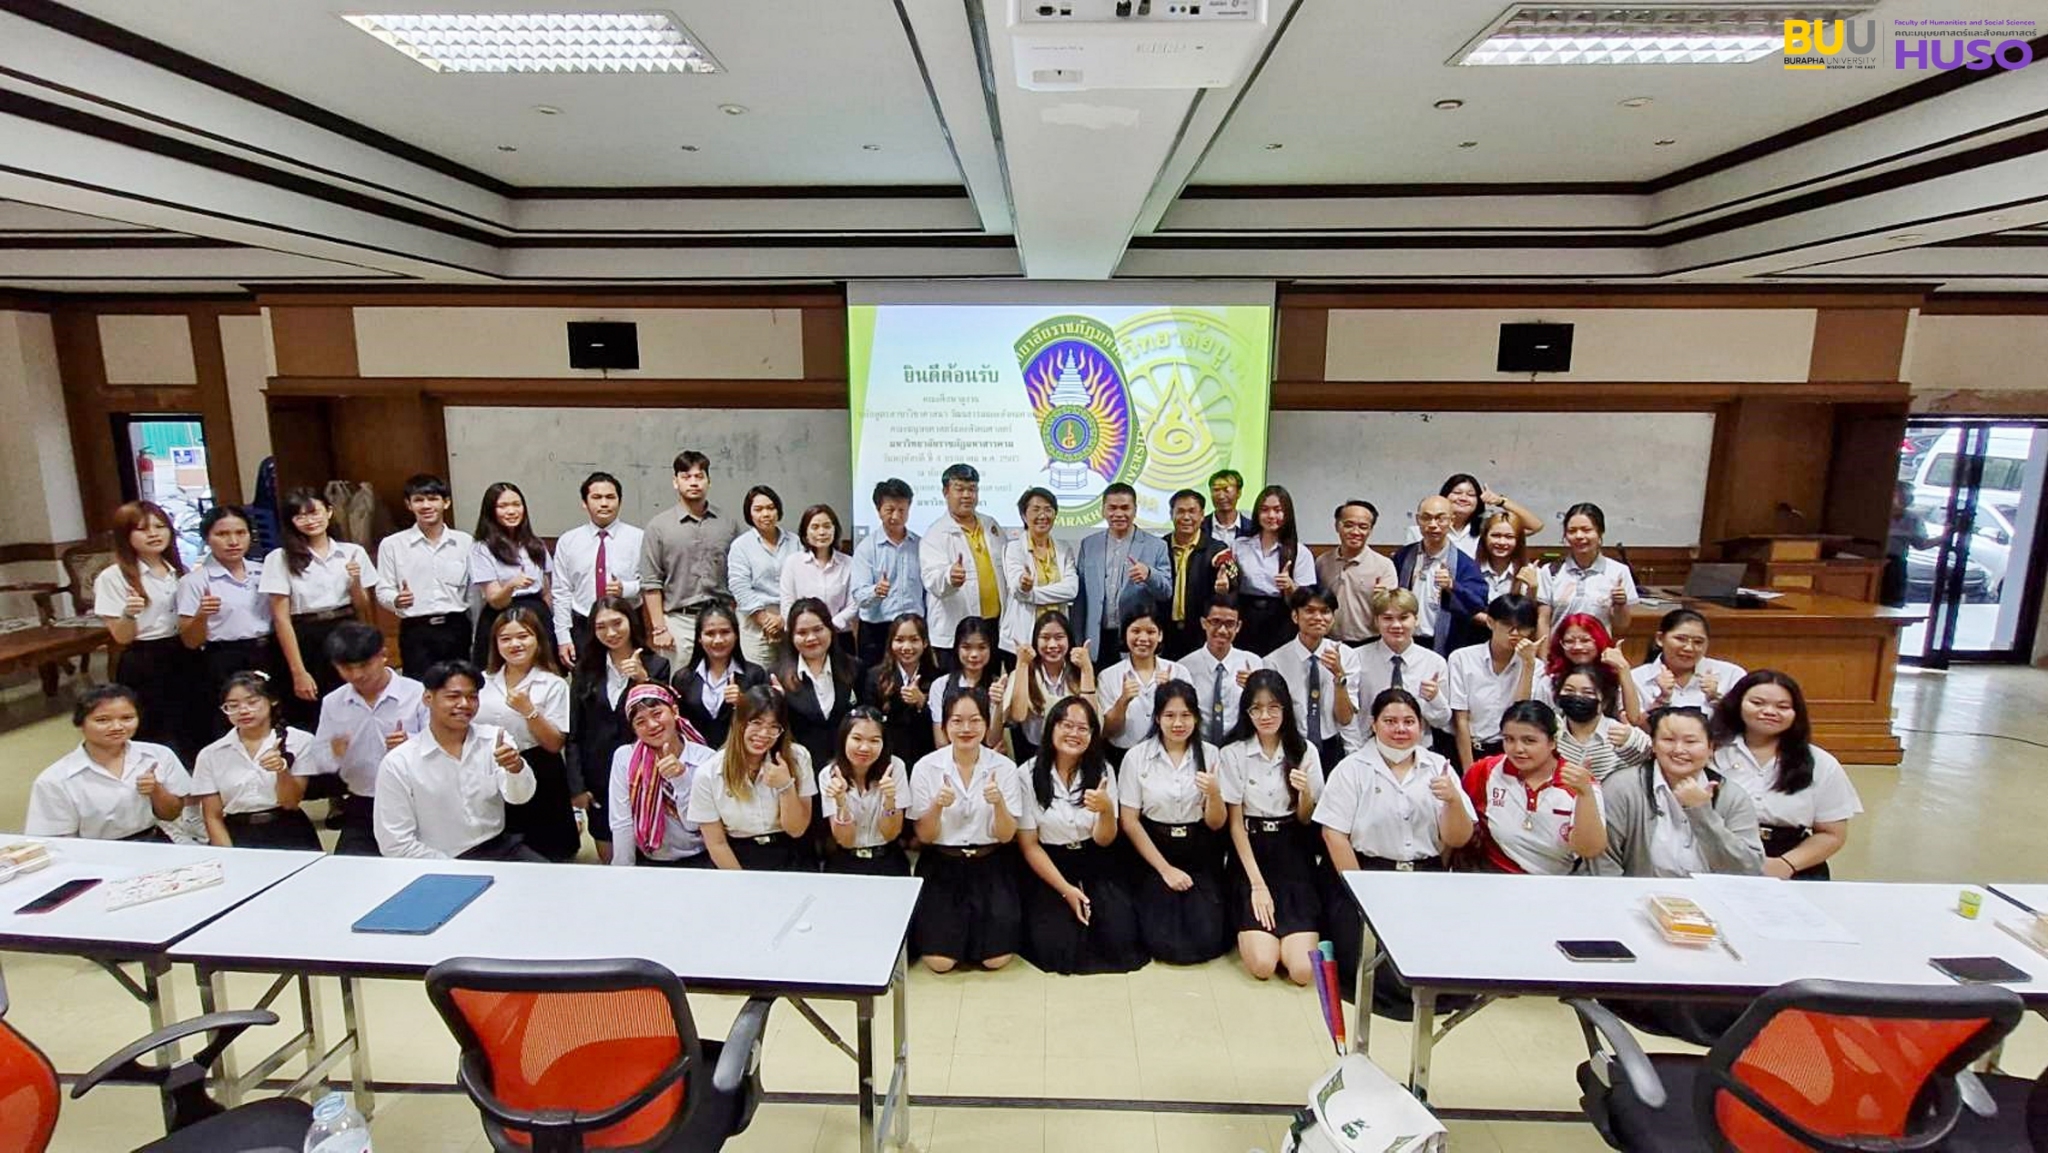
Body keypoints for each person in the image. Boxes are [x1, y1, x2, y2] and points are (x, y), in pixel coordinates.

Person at [1317, 688, 1474, 1015]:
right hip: (1369, 876)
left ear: (1421, 726)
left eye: (1408, 721)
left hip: (1425, 878)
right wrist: (1362, 894)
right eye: (1390, 721)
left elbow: (1457, 838)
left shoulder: (1439, 766)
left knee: (1444, 964)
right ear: (1373, 724)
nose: (1400, 729)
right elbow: (1334, 835)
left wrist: (1453, 800)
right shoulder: (1352, 769)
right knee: (1379, 973)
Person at [1015, 696, 1145, 975]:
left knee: (1119, 941)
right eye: (1066, 725)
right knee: (1058, 948)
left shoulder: (1102, 770)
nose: (1074, 734)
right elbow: (1029, 846)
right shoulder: (1026, 774)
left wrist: (1107, 810)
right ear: (1051, 728)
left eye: (1083, 728)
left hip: (1096, 859)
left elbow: (1105, 840)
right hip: (1050, 865)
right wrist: (1066, 890)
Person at [374, 660, 542, 861]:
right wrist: (453, 869)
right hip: (436, 858)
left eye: (472, 697)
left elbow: (519, 797)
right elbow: (394, 843)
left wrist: (516, 768)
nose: (464, 704)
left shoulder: (494, 739)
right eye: (453, 696)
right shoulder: (399, 762)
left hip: (500, 847)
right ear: (428, 698)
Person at [908, 687, 1026, 972]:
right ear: (945, 725)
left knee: (996, 960)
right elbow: (924, 836)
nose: (966, 728)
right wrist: (937, 805)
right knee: (939, 963)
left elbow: (1007, 835)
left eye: (975, 720)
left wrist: (998, 804)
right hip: (942, 863)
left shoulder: (1005, 768)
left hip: (991, 863)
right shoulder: (926, 767)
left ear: (986, 724)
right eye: (957, 721)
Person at [1220, 670, 1325, 985]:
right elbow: (1235, 825)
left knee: (1303, 972)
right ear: (1246, 712)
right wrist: (1257, 885)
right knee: (1264, 965)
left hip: (1293, 851)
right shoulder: (1233, 752)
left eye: (1273, 707)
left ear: (1286, 709)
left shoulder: (1304, 750)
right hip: (1251, 852)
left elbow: (1307, 819)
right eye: (1256, 708)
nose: (1265, 715)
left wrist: (1305, 793)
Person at [1710, 670, 1862, 880]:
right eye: (1757, 703)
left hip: (1790, 860)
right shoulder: (1710, 752)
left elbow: (1832, 833)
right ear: (1737, 704)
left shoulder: (1820, 762)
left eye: (1783, 707)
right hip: (1719, 850)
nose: (1769, 711)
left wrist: (1786, 864)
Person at [1118, 681, 1229, 965]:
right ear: (1157, 718)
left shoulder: (1213, 755)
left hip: (1199, 851)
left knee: (1207, 938)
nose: (1178, 723)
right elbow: (1130, 821)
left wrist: (1214, 794)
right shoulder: (1136, 757)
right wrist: (1165, 869)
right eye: (1169, 715)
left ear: (1196, 717)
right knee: (1162, 942)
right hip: (1154, 850)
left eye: (1185, 715)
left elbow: (1217, 824)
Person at [1598, 706, 1763, 879]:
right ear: (1653, 745)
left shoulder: (1732, 795)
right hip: (1639, 896)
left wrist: (1701, 813)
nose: (1678, 749)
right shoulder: (1622, 787)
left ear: (1710, 748)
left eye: (1690, 742)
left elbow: (1749, 869)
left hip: (1711, 897)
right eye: (1668, 740)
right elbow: (1603, 860)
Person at [307, 622, 427, 856]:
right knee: (350, 872)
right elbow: (320, 761)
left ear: (383, 655)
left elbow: (443, 747)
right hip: (362, 803)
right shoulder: (333, 702)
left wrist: (410, 744)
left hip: (416, 801)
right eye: (346, 668)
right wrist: (334, 752)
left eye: (364, 665)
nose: (357, 675)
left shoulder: (417, 693)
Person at [567, 596, 671, 864]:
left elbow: (664, 719)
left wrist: (641, 679)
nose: (611, 633)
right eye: (602, 627)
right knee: (611, 860)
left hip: (645, 776)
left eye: (617, 623)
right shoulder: (584, 671)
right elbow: (575, 732)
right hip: (599, 778)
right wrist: (577, 785)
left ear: (630, 621)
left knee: (650, 855)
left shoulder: (657, 665)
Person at [262, 488, 375, 731]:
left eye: (315, 513)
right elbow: (281, 618)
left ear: (330, 511)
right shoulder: (279, 558)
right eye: (300, 516)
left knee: (353, 706)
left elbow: (363, 606)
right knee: (312, 712)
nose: (310, 521)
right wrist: (298, 671)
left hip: (345, 630)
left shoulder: (352, 551)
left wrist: (355, 581)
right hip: (305, 636)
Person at [25, 684, 189, 841]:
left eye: (127, 718)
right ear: (81, 723)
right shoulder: (55, 780)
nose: (117, 727)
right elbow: (58, 842)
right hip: (94, 853)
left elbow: (172, 814)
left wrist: (156, 791)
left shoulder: (158, 755)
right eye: (103, 720)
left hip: (154, 842)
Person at [476, 608, 577, 861]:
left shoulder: (553, 683)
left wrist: (529, 710)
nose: (515, 644)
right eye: (506, 638)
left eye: (523, 636)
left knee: (545, 853)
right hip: (489, 768)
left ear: (537, 640)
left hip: (539, 768)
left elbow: (554, 743)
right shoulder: (482, 681)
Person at [1460, 701, 1606, 874]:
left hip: (1555, 885)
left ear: (1552, 742)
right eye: (1509, 739)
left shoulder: (1578, 783)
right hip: (1495, 879)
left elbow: (1589, 850)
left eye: (1529, 741)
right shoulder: (1485, 771)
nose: (1518, 749)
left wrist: (1585, 794)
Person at [95, 500, 192, 756]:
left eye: (160, 527)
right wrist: (129, 613)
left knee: (189, 723)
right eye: (142, 529)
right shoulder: (113, 577)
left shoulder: (179, 571)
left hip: (183, 651)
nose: (154, 534)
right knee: (154, 731)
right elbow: (121, 636)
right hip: (144, 658)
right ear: (125, 536)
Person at [689, 686, 816, 871]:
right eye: (756, 723)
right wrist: (743, 886)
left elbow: (797, 830)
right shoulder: (708, 773)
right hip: (736, 856)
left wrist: (786, 787)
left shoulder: (798, 757)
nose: (764, 734)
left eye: (774, 727)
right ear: (739, 722)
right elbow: (716, 844)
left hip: (790, 853)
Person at [177, 505, 273, 750]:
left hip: (268, 651)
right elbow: (190, 640)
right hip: (224, 657)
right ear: (207, 538)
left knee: (272, 712)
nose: (233, 541)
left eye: (241, 533)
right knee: (233, 719)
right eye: (222, 534)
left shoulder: (263, 571)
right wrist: (201, 615)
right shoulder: (194, 582)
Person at [191, 671, 319, 851]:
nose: (243, 710)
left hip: (289, 829)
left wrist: (281, 769)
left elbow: (290, 802)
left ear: (272, 700)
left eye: (252, 702)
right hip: (238, 831)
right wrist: (229, 856)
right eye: (233, 705)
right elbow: (212, 816)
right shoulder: (210, 754)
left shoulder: (299, 741)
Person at [640, 450, 741, 668]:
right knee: (679, 686)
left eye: (699, 476)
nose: (693, 482)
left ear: (708, 481)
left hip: (722, 618)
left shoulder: (728, 524)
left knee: (724, 685)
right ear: (675, 482)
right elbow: (651, 583)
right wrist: (659, 628)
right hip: (679, 622)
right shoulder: (658, 527)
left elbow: (739, 576)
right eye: (686, 477)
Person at [607, 683, 713, 868]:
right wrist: (622, 873)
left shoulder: (705, 758)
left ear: (674, 710)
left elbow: (694, 825)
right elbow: (621, 822)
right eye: (640, 721)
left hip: (700, 857)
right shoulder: (625, 758)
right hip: (649, 858)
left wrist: (681, 779)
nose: (652, 725)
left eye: (657, 714)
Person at [375, 474, 473, 676]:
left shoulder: (465, 542)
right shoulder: (392, 545)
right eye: (419, 500)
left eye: (433, 499)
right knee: (421, 691)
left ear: (446, 502)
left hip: (457, 626)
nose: (426, 505)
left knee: (460, 685)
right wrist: (396, 600)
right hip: (416, 630)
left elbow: (474, 591)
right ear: (409, 505)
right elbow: (383, 588)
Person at [920, 463, 1007, 670]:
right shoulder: (935, 534)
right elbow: (932, 580)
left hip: (992, 627)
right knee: (957, 694)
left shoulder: (991, 525)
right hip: (956, 633)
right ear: (945, 492)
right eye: (960, 489)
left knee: (989, 690)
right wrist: (950, 577)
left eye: (972, 489)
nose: (967, 495)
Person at [550, 471, 642, 668]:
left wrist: (626, 589)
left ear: (620, 501)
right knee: (586, 686)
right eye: (596, 497)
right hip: (583, 623)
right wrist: (563, 637)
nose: (604, 503)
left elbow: (652, 583)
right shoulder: (568, 541)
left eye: (610, 497)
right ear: (584, 503)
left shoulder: (639, 538)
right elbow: (561, 593)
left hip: (626, 623)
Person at [1261, 588, 1361, 768]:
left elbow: (1345, 719)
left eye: (1325, 611)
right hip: (1291, 745)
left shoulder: (1347, 656)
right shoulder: (1273, 661)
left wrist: (1339, 677)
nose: (1318, 617)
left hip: (1332, 745)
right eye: (1310, 611)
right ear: (1295, 616)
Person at [1073, 483, 1172, 665]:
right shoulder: (1088, 545)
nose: (1118, 514)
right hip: (1096, 638)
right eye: (1112, 508)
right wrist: (1078, 641)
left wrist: (1149, 575)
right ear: (1103, 510)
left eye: (1125, 508)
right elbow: (1081, 599)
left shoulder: (1156, 546)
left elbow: (1166, 592)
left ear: (1135, 510)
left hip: (1135, 639)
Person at [1348, 589, 1451, 756]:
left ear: (1416, 620)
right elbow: (1350, 717)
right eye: (1388, 618)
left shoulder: (1434, 662)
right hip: (1368, 750)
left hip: (1419, 751)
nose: (1396, 625)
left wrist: (1435, 698)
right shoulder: (1356, 658)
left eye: (1404, 618)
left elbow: (1442, 721)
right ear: (1376, 621)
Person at [1447, 594, 1541, 768]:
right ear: (1490, 622)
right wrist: (1470, 771)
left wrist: (1528, 665)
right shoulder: (1462, 658)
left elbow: (1521, 715)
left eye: (1522, 628)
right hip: (1470, 748)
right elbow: (1461, 720)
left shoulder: (1535, 666)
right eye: (1507, 625)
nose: (1514, 634)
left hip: (1512, 752)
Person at [469, 481, 554, 668]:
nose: (511, 511)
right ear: (491, 511)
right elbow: (494, 599)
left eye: (516, 504)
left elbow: (547, 591)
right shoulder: (482, 548)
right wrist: (511, 585)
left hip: (537, 614)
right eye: (503, 506)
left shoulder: (536, 544)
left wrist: (553, 623)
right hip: (502, 615)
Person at [774, 597, 862, 776]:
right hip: (801, 772)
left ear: (830, 629)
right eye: (802, 632)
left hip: (848, 770)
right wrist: (779, 704)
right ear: (791, 636)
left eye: (818, 629)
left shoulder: (855, 668)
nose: (811, 638)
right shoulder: (777, 676)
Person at [1391, 495, 1488, 655]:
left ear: (1452, 520)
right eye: (1426, 518)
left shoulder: (1465, 564)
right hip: (1405, 640)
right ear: (1417, 520)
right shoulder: (1404, 556)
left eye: (1440, 519)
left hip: (1444, 644)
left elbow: (1478, 603)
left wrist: (1453, 586)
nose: (1433, 525)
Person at [820, 707, 911, 876]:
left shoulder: (895, 767)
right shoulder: (829, 774)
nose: (864, 748)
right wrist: (841, 804)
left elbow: (891, 833)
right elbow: (845, 840)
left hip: (888, 860)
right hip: (844, 862)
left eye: (874, 740)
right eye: (857, 739)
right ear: (843, 739)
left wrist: (890, 799)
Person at [1096, 603, 1190, 760]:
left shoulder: (1178, 672)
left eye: (1151, 632)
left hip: (1168, 755)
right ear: (1125, 634)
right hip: (1121, 756)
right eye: (1136, 631)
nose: (1143, 638)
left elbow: (1190, 721)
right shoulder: (1108, 676)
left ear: (1160, 635)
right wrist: (1123, 701)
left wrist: (1169, 694)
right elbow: (1107, 732)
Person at [671, 603, 769, 751]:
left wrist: (743, 702)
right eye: (710, 633)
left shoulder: (754, 675)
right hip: (697, 760)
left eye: (725, 632)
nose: (718, 640)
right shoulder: (683, 679)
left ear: (736, 635)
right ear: (699, 638)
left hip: (741, 756)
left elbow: (766, 720)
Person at [850, 478, 926, 668]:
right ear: (878, 510)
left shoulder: (920, 545)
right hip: (878, 630)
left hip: (913, 628)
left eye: (902, 510)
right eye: (889, 510)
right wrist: (876, 591)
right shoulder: (866, 548)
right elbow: (858, 595)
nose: (896, 516)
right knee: (875, 686)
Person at [1234, 485, 1317, 655]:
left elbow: (1308, 598)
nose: (1271, 516)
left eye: (1277, 510)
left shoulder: (1300, 552)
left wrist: (1290, 586)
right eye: (1265, 510)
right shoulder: (1240, 545)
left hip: (1282, 619)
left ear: (1287, 514)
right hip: (1245, 616)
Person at [1004, 610, 1094, 760]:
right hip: (1033, 752)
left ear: (1069, 640)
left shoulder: (1078, 672)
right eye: (1045, 638)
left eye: (1059, 637)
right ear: (1035, 641)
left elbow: (1091, 718)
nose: (1052, 645)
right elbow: (1018, 716)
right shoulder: (1025, 671)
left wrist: (1087, 669)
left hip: (1072, 753)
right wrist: (1022, 665)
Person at [1630, 609, 1745, 726]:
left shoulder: (1731, 674)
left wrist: (1716, 699)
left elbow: (1744, 726)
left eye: (1698, 642)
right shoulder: (1635, 678)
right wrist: (1662, 699)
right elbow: (1634, 727)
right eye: (1680, 639)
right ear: (1660, 639)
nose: (1689, 648)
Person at [999, 487, 1078, 656]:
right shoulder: (1013, 548)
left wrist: (1032, 594)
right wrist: (1023, 586)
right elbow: (1017, 590)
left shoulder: (1064, 549)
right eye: (1035, 510)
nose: (1043, 516)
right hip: (1022, 637)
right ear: (1023, 515)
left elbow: (1071, 590)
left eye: (1048, 510)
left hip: (1055, 638)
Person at [727, 484, 797, 669]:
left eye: (770, 508)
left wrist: (783, 619)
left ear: (778, 510)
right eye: (758, 509)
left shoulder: (795, 541)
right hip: (754, 623)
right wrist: (766, 621)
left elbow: (803, 582)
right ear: (749, 513)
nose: (765, 514)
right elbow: (739, 586)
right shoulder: (741, 546)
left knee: (790, 678)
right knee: (758, 679)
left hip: (790, 621)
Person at [1544, 502, 1638, 637]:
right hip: (1559, 652)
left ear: (1600, 532)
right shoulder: (1550, 571)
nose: (1579, 536)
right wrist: (1543, 657)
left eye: (1586, 530)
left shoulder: (1619, 572)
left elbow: (1622, 625)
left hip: (1599, 653)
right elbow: (1543, 621)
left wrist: (1620, 605)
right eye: (1572, 531)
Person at [1161, 488, 1234, 659]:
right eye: (1180, 511)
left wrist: (1226, 585)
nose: (1186, 517)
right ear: (1171, 514)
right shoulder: (1159, 547)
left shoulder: (1218, 549)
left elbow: (1233, 579)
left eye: (1192, 512)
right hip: (1164, 633)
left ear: (1202, 516)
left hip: (1201, 633)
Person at [1182, 593, 1262, 748]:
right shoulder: (1185, 667)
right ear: (1204, 623)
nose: (1222, 630)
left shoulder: (1253, 663)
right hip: (1197, 747)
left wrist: (1255, 690)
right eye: (1215, 622)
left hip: (1240, 748)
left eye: (1230, 624)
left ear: (1238, 627)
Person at [1317, 500, 1399, 646]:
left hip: (1370, 642)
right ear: (1337, 526)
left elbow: (1392, 610)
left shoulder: (1384, 565)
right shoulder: (1322, 562)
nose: (1355, 532)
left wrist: (1385, 598)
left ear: (1370, 530)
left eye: (1363, 527)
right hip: (1329, 641)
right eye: (1348, 525)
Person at [860, 613, 937, 766]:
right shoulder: (875, 676)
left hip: (927, 757)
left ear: (925, 642)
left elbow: (943, 724)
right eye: (899, 640)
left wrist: (922, 702)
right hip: (888, 757)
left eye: (914, 640)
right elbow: (870, 721)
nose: (906, 647)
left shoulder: (937, 677)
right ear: (890, 643)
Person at [1405, 473, 1544, 558]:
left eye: (1471, 494)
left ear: (1478, 501)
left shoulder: (1486, 527)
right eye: (1457, 493)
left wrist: (1500, 501)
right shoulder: (1421, 530)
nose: (1463, 498)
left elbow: (1535, 526)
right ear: (1444, 496)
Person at [1535, 613, 1643, 723]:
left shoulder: (1615, 674)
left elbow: (1634, 718)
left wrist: (1624, 669)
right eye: (1569, 641)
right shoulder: (1551, 678)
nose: (1577, 647)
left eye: (1585, 640)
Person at [1553, 663, 1652, 783]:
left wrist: (1630, 742)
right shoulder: (1550, 729)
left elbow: (1651, 754)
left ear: (1604, 701)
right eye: (1569, 690)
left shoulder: (1622, 733)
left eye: (1588, 693)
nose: (1577, 697)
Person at [779, 504, 858, 646]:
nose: (822, 532)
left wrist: (828, 627)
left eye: (827, 526)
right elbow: (787, 604)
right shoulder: (793, 563)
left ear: (835, 530)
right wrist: (806, 629)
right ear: (805, 533)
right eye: (815, 527)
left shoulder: (849, 563)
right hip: (804, 638)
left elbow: (854, 604)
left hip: (840, 637)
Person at [929, 617, 1008, 754]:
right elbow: (941, 742)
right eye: (966, 647)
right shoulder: (941, 685)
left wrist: (998, 704)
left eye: (982, 647)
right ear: (957, 648)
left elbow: (993, 742)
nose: (974, 655)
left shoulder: (998, 686)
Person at [1473, 511, 1548, 629]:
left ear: (1519, 541)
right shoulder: (1470, 568)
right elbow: (1462, 608)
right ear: (1485, 537)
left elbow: (1530, 619)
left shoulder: (1531, 571)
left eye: (1509, 537)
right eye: (1496, 535)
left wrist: (1532, 589)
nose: (1502, 542)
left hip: (1514, 638)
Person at [1204, 468, 1252, 540]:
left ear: (1238, 493)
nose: (1221, 496)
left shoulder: (1252, 529)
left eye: (1226, 490)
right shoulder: (1200, 527)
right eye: (1216, 490)